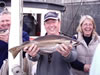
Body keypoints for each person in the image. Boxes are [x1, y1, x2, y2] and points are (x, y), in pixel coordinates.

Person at [0, 10, 29, 75]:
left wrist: (10, 40)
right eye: (2, 21)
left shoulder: (23, 34)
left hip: (16, 70)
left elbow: (26, 50)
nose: (5, 23)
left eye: (7, 20)